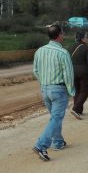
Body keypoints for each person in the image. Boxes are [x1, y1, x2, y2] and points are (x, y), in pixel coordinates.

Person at [32, 24, 75, 162]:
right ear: (59, 35)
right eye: (63, 33)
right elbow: (68, 75)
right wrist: (71, 91)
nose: (64, 35)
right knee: (56, 118)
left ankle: (58, 142)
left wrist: (44, 82)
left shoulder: (40, 51)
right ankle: (41, 145)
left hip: (45, 89)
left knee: (54, 118)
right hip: (59, 90)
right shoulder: (63, 53)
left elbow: (35, 70)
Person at [68, 31, 88, 120]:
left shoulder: (70, 47)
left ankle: (79, 111)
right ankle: (75, 109)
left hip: (73, 72)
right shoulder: (87, 48)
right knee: (85, 91)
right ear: (82, 38)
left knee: (77, 91)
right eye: (86, 37)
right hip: (84, 72)